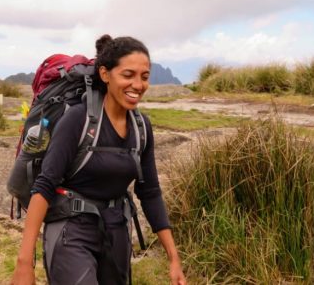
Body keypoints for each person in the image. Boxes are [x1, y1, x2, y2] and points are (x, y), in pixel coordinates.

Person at [11, 35, 187, 285]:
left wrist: (174, 258)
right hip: (71, 231)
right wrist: (24, 262)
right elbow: (44, 185)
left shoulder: (141, 128)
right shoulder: (78, 120)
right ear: (105, 74)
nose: (138, 85)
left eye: (144, 76)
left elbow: (149, 192)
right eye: (128, 75)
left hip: (116, 230)